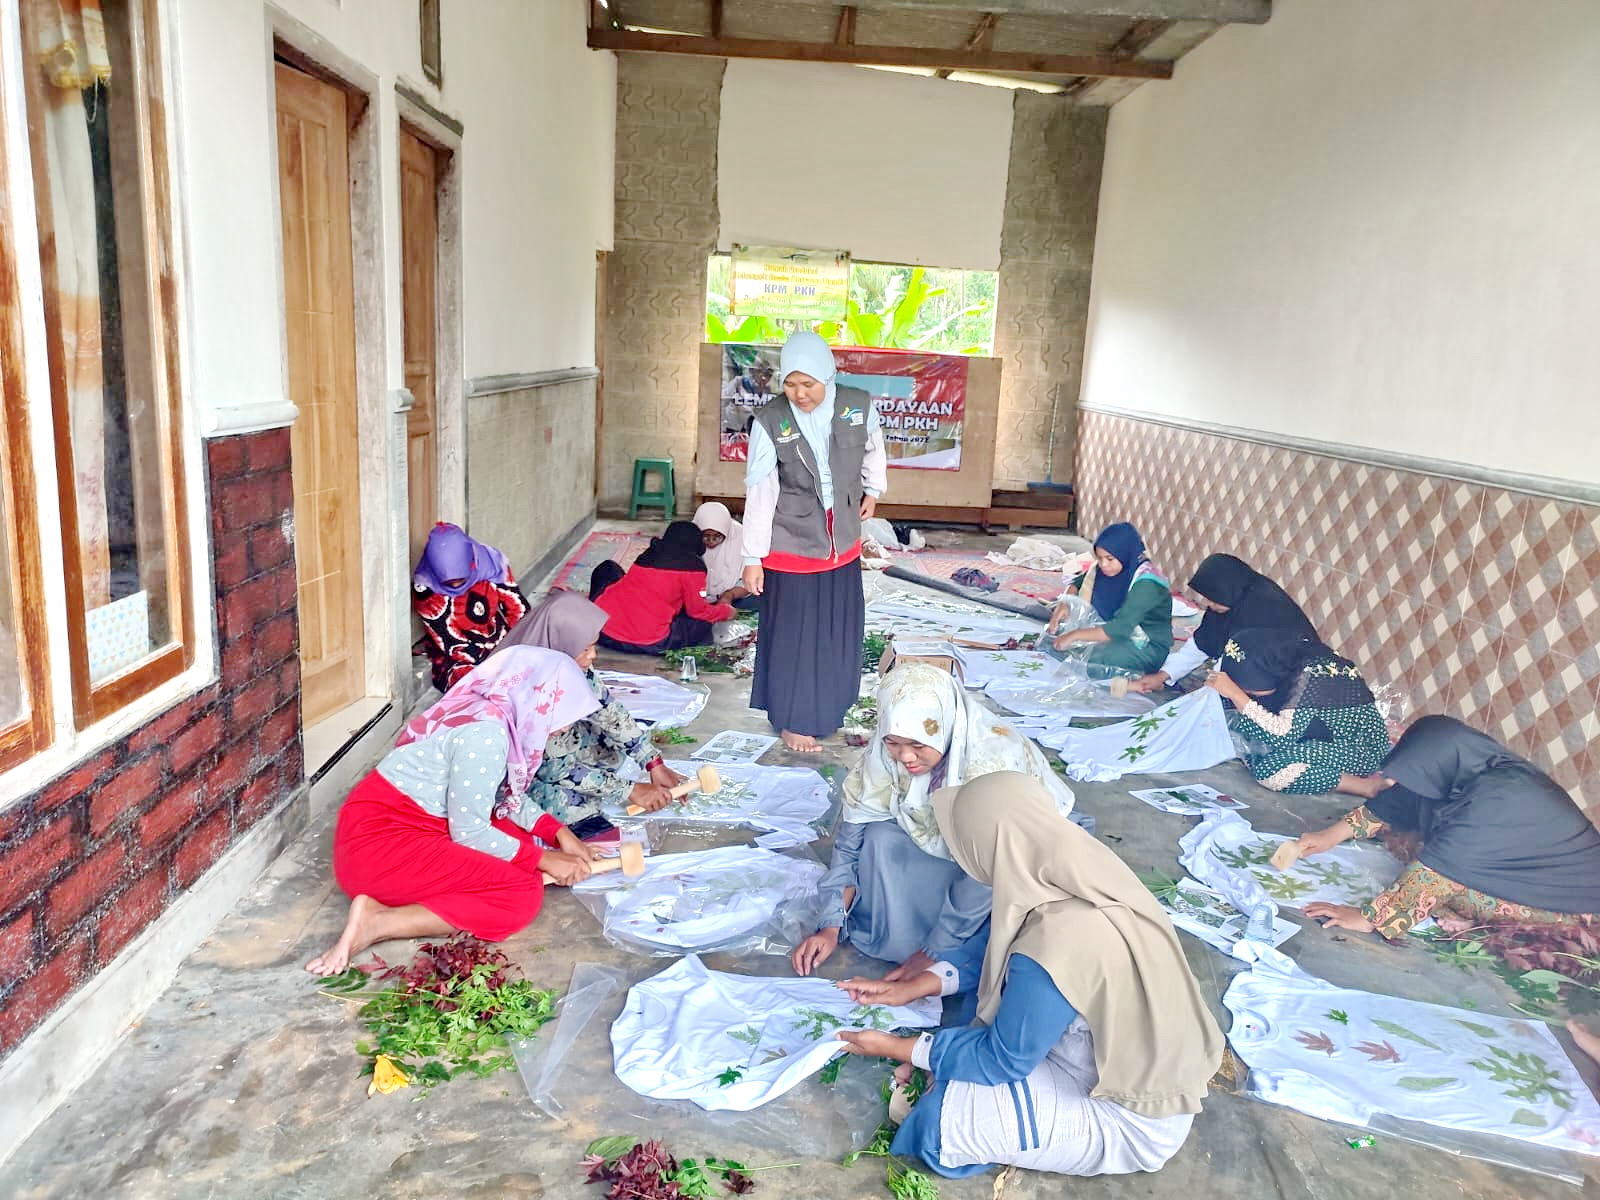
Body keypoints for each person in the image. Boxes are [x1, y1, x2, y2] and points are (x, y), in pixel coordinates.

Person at [835, 772, 1222, 1179]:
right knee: (955, 1037)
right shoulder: (1072, 868)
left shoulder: (1057, 940)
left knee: (936, 1126)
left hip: (1128, 1113)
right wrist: (914, 987)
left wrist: (896, 1047)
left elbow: (1002, 1059)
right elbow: (995, 949)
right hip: (1103, 1057)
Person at [305, 647, 599, 976]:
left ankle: (391, 910)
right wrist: (545, 859)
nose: (564, 728)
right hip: (377, 851)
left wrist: (559, 834)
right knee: (520, 894)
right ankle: (379, 922)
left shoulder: (490, 709)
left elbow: (498, 796)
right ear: (537, 700)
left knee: (519, 847)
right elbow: (470, 832)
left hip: (385, 827)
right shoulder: (487, 737)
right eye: (561, 713)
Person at [791, 663, 1076, 981]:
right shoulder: (885, 753)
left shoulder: (991, 763)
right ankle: (913, 937)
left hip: (1007, 857)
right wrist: (831, 924)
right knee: (878, 838)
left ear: (946, 726)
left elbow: (989, 870)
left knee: (1017, 923)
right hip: (946, 841)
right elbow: (851, 840)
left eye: (917, 745)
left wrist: (937, 948)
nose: (905, 757)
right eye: (893, 742)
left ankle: (953, 945)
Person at [1297, 716, 1600, 943]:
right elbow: (1398, 801)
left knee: (1437, 885)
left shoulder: (1497, 797)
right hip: (1525, 874)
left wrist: (1369, 919)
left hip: (1573, 906)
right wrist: (1328, 837)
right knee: (1411, 846)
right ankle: (1474, 919)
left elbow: (1436, 875)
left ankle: (1484, 924)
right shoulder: (1463, 766)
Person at [741, 332, 887, 752]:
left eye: (808, 384)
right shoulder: (771, 421)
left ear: (828, 376)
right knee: (795, 637)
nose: (799, 394)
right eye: (790, 384)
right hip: (792, 543)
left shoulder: (857, 406)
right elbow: (761, 491)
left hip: (841, 541)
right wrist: (752, 557)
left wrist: (873, 490)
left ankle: (828, 710)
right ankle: (792, 719)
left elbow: (873, 449)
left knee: (837, 633)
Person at [497, 589, 686, 836]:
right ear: (561, 644)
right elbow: (553, 768)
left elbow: (608, 710)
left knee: (611, 742)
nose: (593, 656)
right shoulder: (529, 687)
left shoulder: (565, 660)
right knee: (563, 806)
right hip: (520, 769)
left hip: (556, 754)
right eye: (585, 649)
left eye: (593, 646)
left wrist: (652, 762)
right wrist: (629, 790)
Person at [1207, 626, 1390, 795]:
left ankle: (1367, 787)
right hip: (1319, 735)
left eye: (1249, 686)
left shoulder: (1314, 676)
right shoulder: (1288, 661)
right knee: (1240, 725)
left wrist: (1235, 694)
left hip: (1360, 749)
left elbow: (1282, 737)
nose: (1246, 692)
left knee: (1270, 771)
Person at [1130, 553, 1318, 694]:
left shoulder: (1261, 612)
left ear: (1228, 590)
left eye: (1212, 597)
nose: (1207, 604)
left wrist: (1204, 696)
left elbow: (1233, 661)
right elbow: (1204, 641)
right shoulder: (1230, 599)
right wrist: (1163, 675)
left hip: (1295, 685)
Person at [587, 521, 736, 655]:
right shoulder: (693, 567)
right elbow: (698, 611)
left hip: (604, 632)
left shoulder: (648, 555)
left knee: (608, 569)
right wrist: (725, 611)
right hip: (650, 641)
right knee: (703, 625)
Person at [412, 522, 529, 692]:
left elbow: (518, 610)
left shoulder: (492, 564)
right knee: (475, 682)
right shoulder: (425, 587)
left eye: (462, 580)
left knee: (528, 665)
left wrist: (518, 645)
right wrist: (490, 665)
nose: (456, 586)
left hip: (499, 635)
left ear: (472, 564)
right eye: (448, 583)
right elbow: (449, 640)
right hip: (461, 652)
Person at [1047, 522, 1171, 677]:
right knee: (1065, 645)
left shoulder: (1146, 583)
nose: (1103, 564)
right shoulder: (1105, 569)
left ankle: (1141, 680)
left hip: (1145, 643)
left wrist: (1075, 635)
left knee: (1096, 660)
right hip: (1113, 632)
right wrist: (1065, 603)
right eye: (1099, 558)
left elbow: (1120, 628)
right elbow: (1079, 582)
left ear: (1125, 553)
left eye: (1110, 558)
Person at [692, 501, 756, 611]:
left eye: (717, 537)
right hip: (694, 599)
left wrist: (729, 595)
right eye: (706, 536)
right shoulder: (688, 537)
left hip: (736, 598)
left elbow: (749, 578)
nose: (711, 542)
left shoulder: (741, 538)